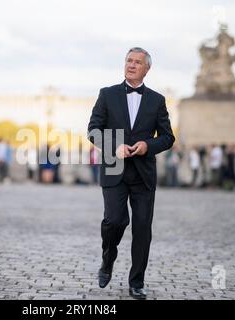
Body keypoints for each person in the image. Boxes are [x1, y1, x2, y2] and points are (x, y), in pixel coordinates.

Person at [87, 47, 175, 299]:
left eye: (138, 62)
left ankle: (137, 281)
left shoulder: (157, 100)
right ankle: (108, 258)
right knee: (114, 221)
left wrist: (149, 145)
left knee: (142, 228)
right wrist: (114, 145)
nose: (132, 65)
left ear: (147, 69)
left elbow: (168, 137)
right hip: (114, 169)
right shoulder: (107, 94)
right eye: (129, 60)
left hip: (143, 174)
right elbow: (93, 130)